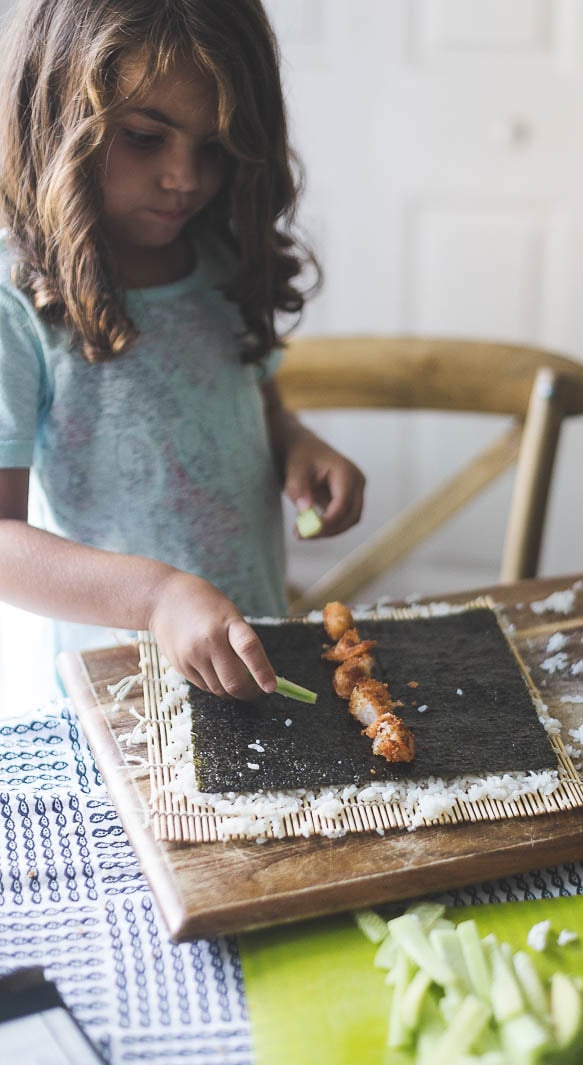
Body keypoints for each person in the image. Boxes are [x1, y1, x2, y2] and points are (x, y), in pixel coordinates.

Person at [0, 0, 365, 700]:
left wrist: (298, 445)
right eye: (143, 137)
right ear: (54, 119)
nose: (185, 178)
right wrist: (156, 597)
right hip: (111, 700)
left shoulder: (221, 261)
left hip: (253, 673)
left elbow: (260, 404)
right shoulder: (19, 307)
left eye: (216, 146)